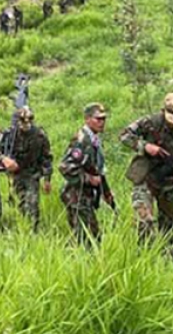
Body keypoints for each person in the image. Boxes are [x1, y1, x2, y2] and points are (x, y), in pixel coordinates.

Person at [119, 92, 173, 241]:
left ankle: (169, 260)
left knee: (168, 228)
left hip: (170, 181)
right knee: (144, 223)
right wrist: (145, 146)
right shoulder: (150, 122)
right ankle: (144, 258)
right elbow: (124, 135)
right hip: (145, 178)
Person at [0, 107, 53, 231]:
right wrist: (4, 159)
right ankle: (23, 228)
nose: (26, 124)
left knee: (32, 204)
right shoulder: (9, 135)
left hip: (32, 173)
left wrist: (47, 179)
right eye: (22, 121)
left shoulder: (39, 135)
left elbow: (47, 158)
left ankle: (34, 230)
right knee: (21, 202)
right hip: (16, 174)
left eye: (29, 120)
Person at [59, 103, 113, 246]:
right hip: (76, 194)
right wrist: (88, 179)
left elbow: (98, 170)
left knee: (85, 235)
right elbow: (65, 167)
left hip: (86, 195)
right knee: (89, 237)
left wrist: (106, 192)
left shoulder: (94, 139)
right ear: (87, 119)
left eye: (104, 119)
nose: (102, 122)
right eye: (98, 119)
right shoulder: (81, 140)